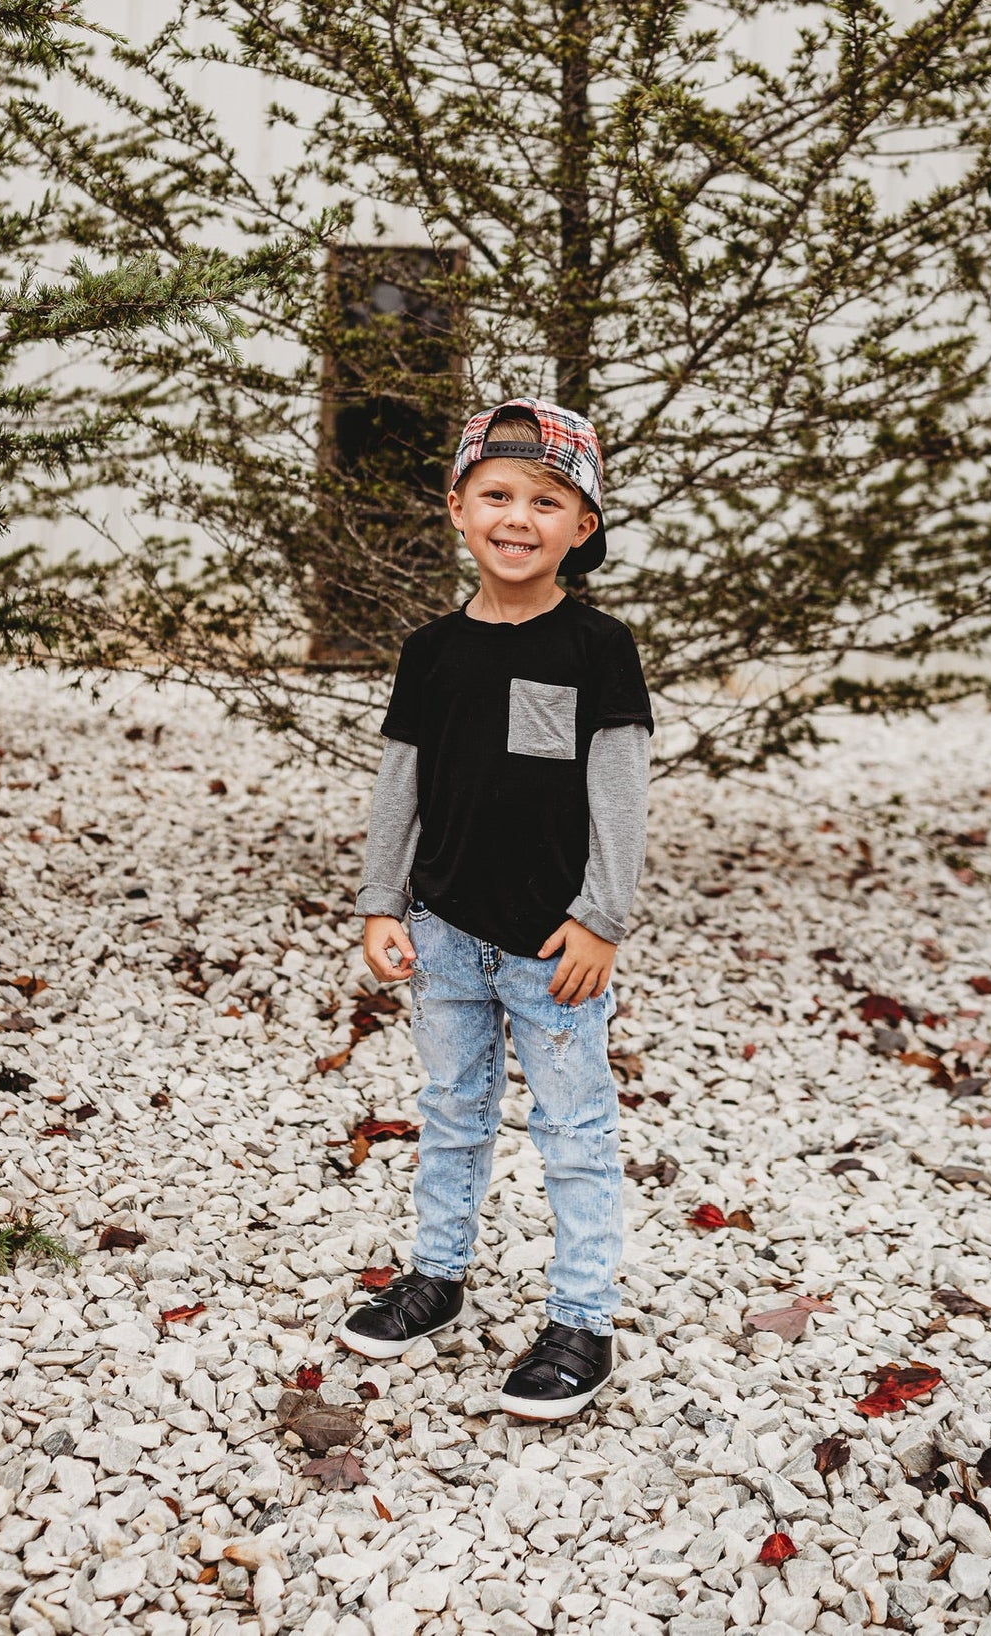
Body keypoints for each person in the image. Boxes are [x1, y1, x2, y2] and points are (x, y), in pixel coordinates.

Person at [337, 400, 652, 1420]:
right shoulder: (430, 651)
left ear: (582, 526)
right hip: (442, 931)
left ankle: (579, 1321)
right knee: (451, 1110)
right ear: (457, 509)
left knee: (572, 1128)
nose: (518, 518)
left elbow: (618, 793)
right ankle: (434, 1277)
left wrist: (602, 916)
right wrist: (382, 900)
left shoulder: (596, 647)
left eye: (546, 502)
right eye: (498, 496)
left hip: (551, 944)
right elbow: (401, 782)